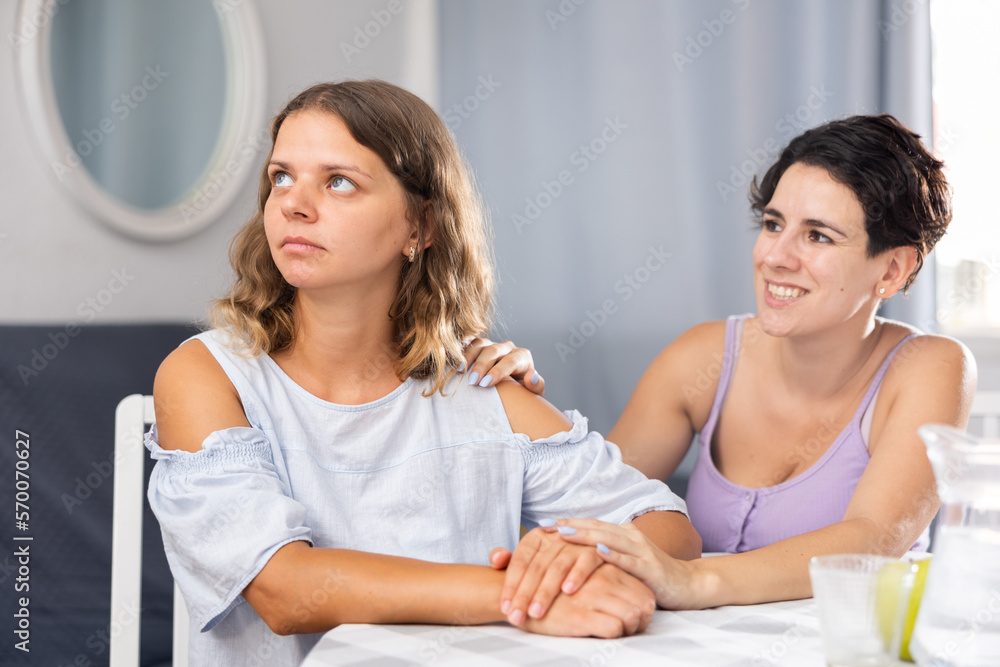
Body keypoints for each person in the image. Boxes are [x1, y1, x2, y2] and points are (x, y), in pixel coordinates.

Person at [145, 79, 701, 666]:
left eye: (338, 181)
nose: (293, 204)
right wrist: (525, 596)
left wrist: (576, 559)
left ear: (421, 226)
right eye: (281, 177)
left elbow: (669, 530)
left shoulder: (480, 384)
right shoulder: (206, 374)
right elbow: (284, 591)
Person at [465, 114, 976, 613]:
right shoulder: (702, 359)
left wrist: (692, 579)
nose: (776, 256)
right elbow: (599, 509)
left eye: (818, 235)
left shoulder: (930, 367)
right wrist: (514, 409)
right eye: (773, 224)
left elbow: (872, 539)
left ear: (892, 270)